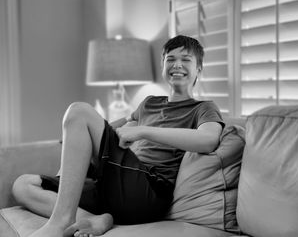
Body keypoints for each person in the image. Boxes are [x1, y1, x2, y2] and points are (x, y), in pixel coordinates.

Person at [12, 35, 224, 237]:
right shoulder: (149, 102)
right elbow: (117, 127)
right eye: (171, 59)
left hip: (148, 190)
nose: (177, 64)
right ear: (162, 66)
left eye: (185, 59)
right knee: (23, 185)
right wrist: (74, 138)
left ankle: (60, 222)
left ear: (199, 69)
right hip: (113, 181)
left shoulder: (203, 108)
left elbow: (208, 140)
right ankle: (94, 219)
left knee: (78, 110)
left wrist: (142, 131)